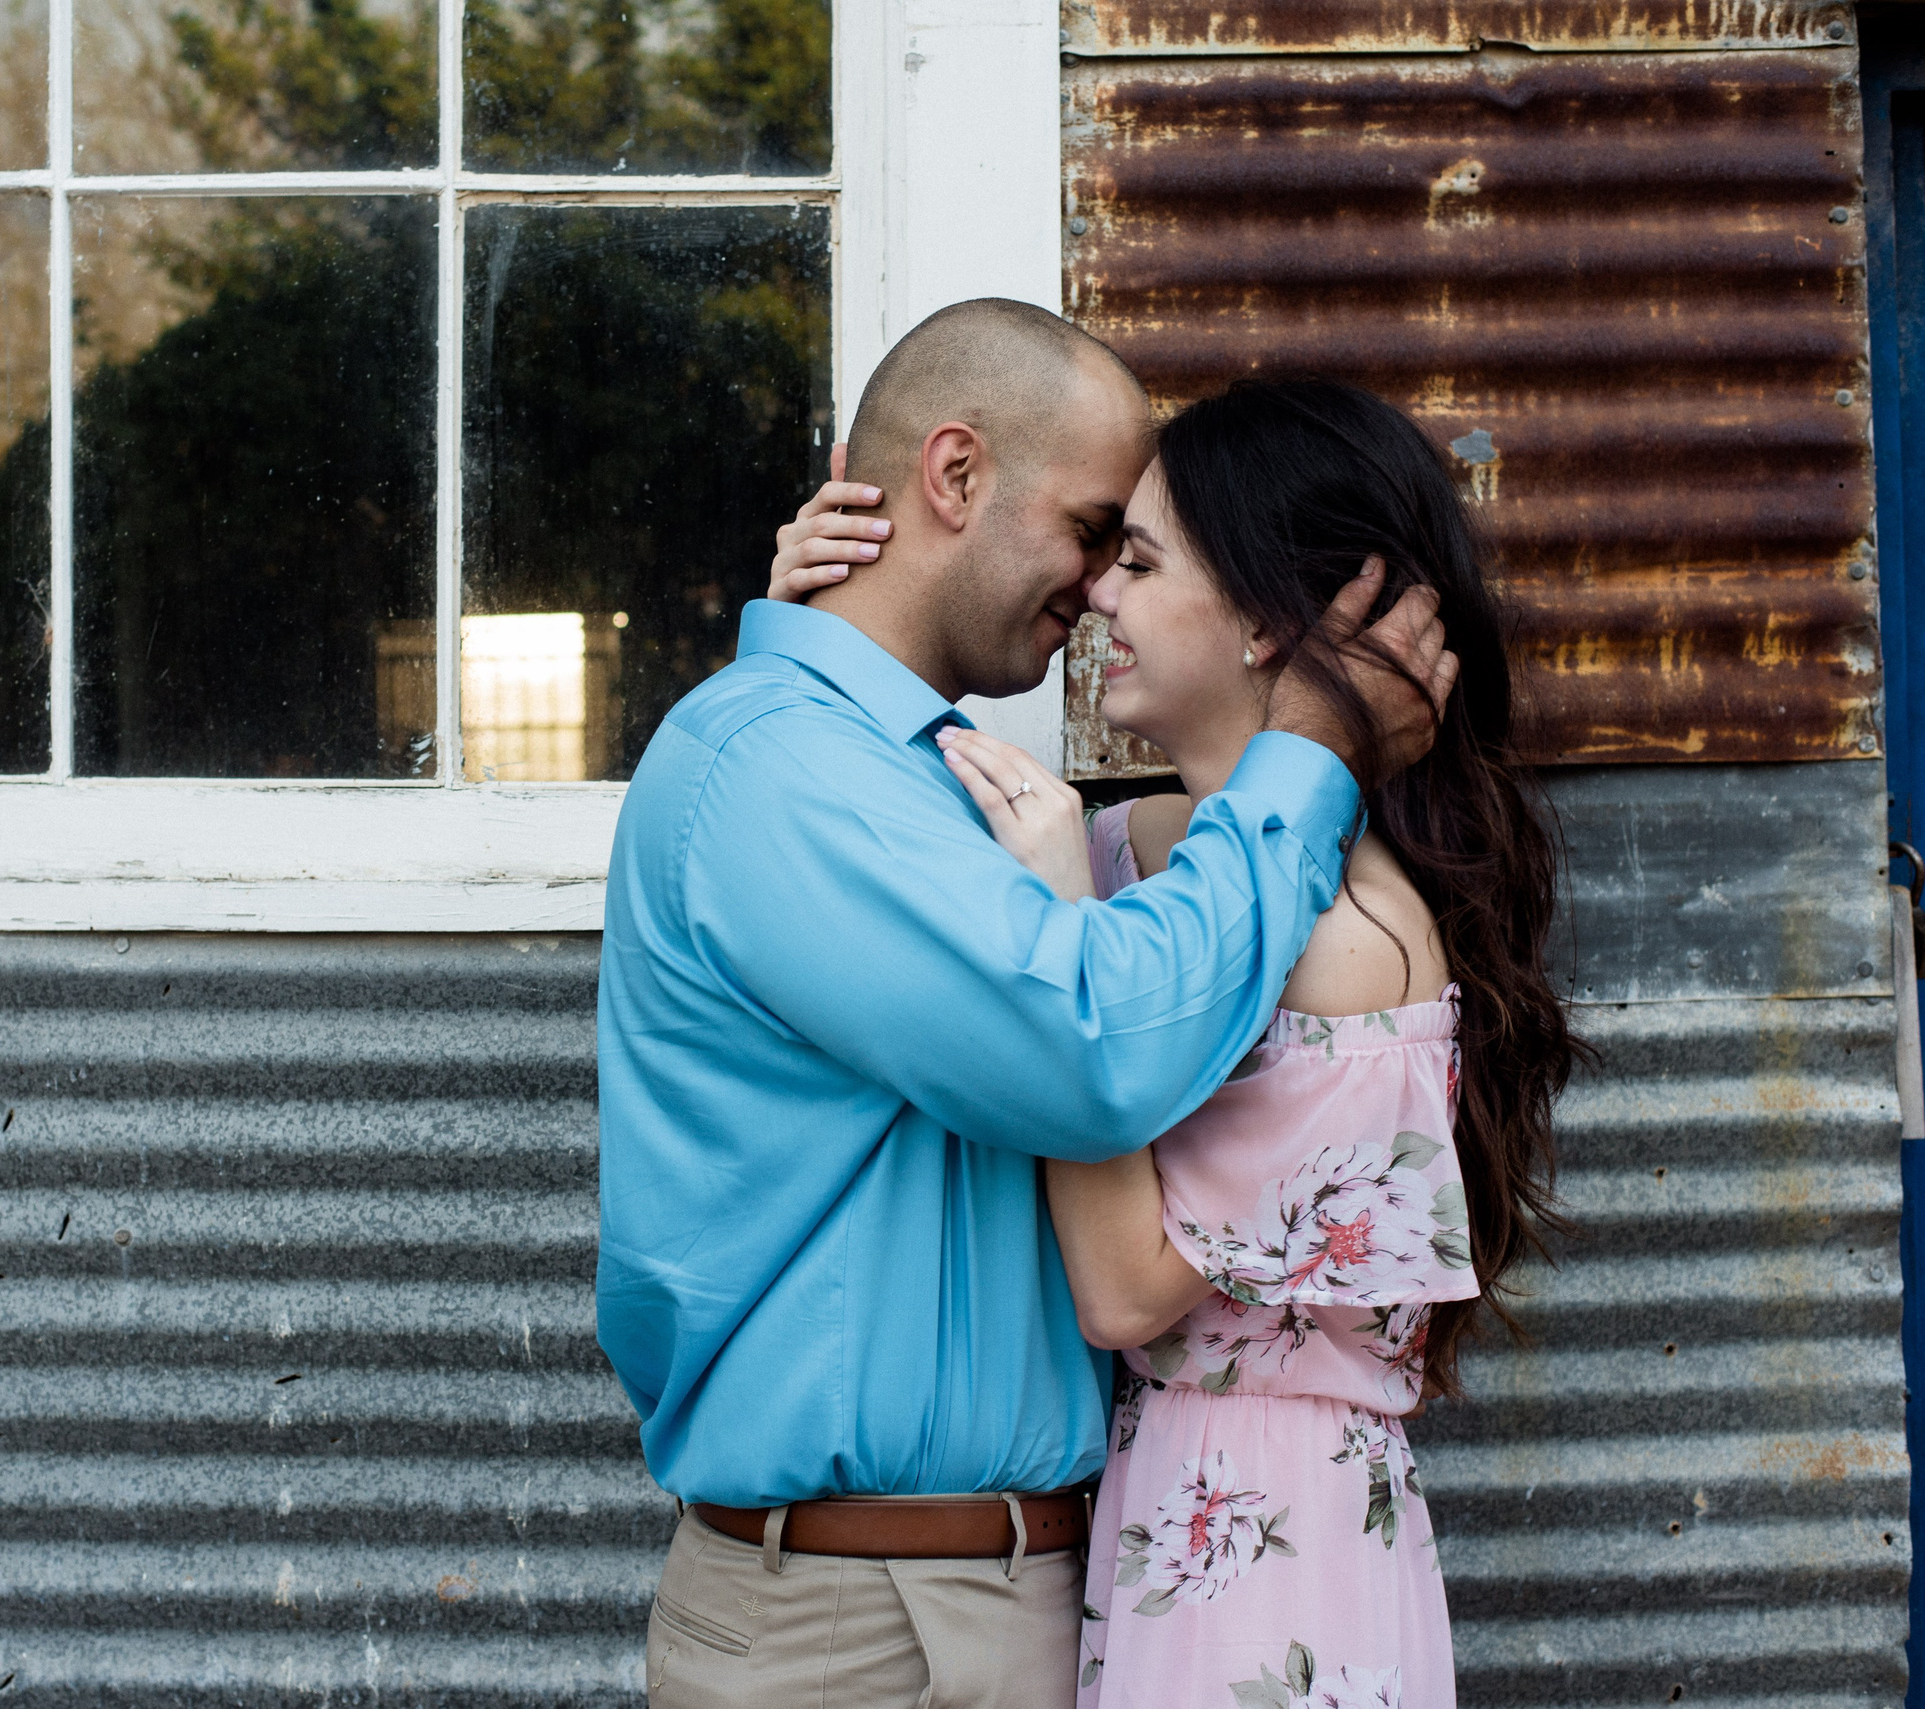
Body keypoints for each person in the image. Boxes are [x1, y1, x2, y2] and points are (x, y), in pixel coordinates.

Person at [595, 298, 1458, 1709]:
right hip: (850, 1620)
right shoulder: (784, 771)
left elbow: (1128, 944)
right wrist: (1312, 754)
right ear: (955, 476)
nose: (1101, 584)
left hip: (1045, 1588)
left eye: (1138, 551)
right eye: (1091, 529)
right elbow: (1087, 1041)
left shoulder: (921, 787)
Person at [791, 378, 1578, 1707]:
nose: (1100, 593)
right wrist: (844, 622)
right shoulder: (1136, 846)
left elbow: (1123, 1289)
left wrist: (1053, 927)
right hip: (1164, 1511)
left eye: (1142, 561)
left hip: (1265, 1561)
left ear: (1272, 620)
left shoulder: (1350, 945)